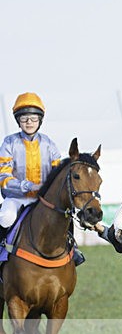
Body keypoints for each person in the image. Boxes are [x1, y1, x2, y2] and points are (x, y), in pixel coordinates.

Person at [0, 92, 84, 264]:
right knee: (5, 216)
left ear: (40, 120)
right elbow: (4, 178)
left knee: (65, 214)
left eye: (33, 118)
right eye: (24, 118)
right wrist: (28, 187)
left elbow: (58, 175)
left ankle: (73, 250)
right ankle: (2, 250)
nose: (29, 122)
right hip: (16, 199)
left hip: (43, 199)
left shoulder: (49, 144)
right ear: (18, 121)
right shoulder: (9, 143)